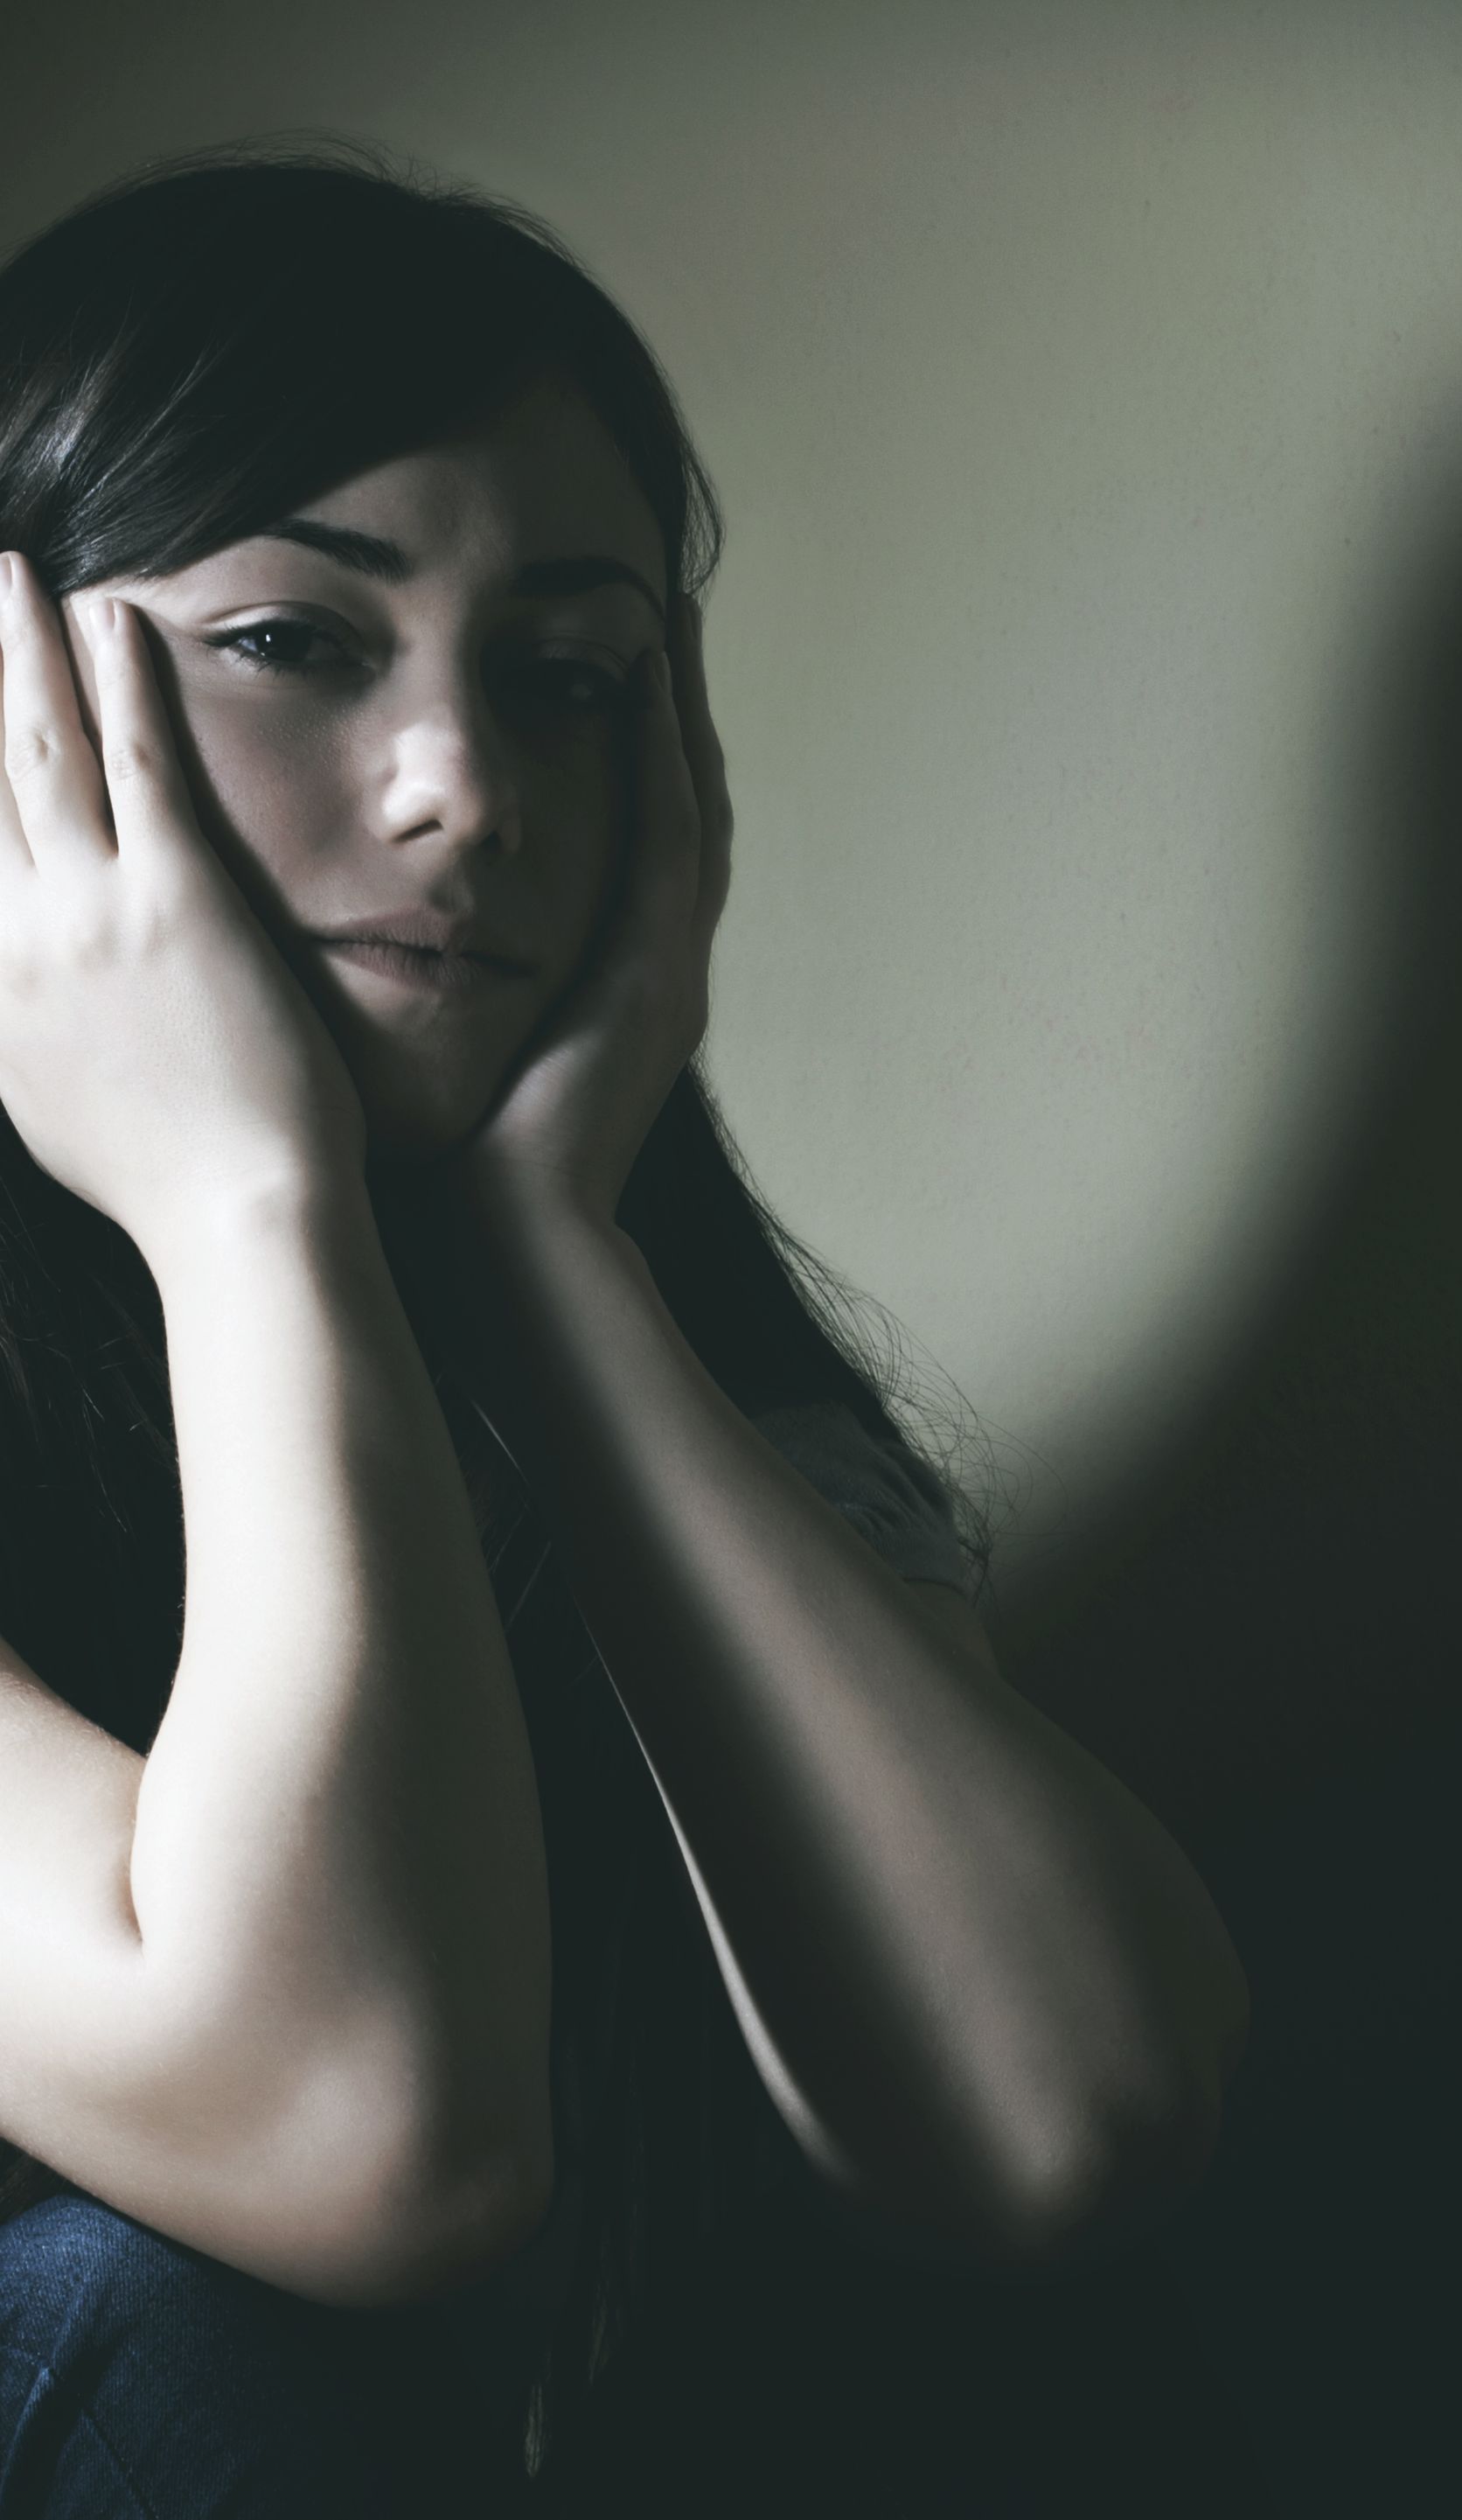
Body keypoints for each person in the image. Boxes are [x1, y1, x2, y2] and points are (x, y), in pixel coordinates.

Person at [0, 139, 1253, 2513]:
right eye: (301, 638)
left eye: (568, 675)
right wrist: (241, 1200)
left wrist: (567, 1265)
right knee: (139, 2309)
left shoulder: (624, 1353)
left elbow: (1066, 2118)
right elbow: (364, 2131)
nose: (466, 787)